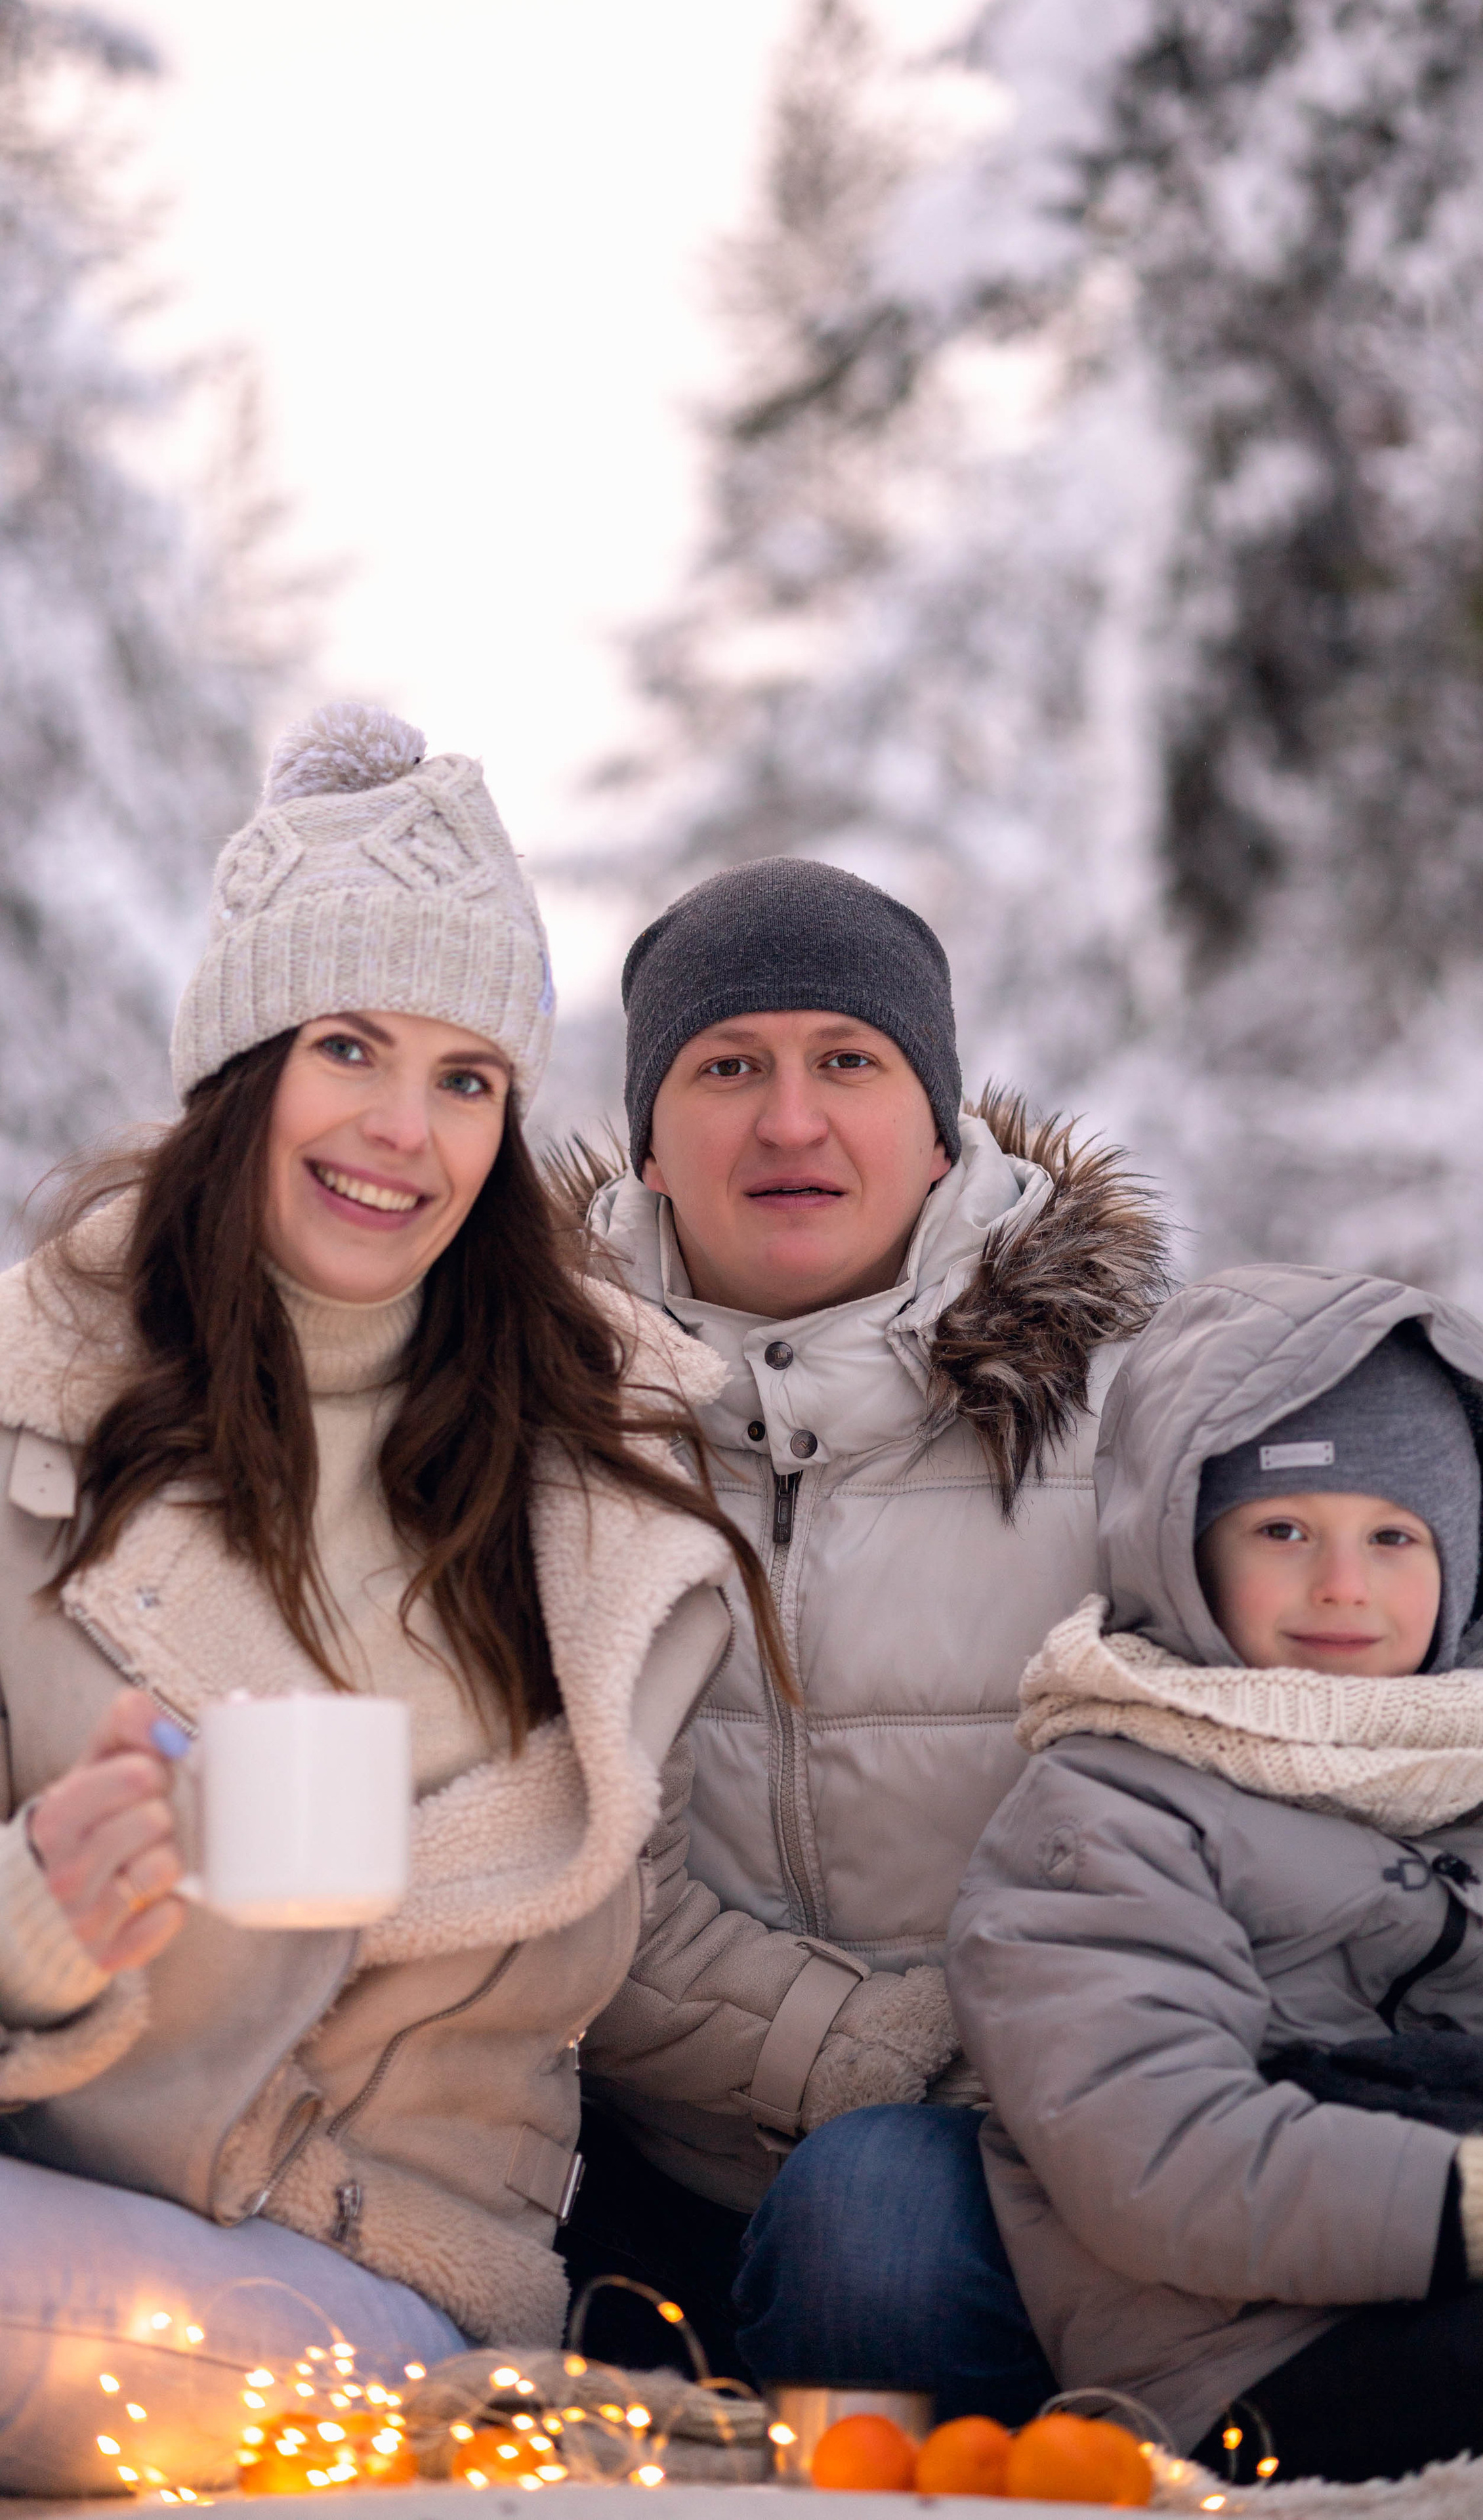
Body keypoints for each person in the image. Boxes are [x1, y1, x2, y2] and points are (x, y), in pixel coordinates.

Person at [0, 702, 811, 2496]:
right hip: (70, 2196)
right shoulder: (30, 1429)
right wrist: (31, 1919)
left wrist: (926, 2053)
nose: (403, 1130)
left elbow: (670, 1929)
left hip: (390, 2283)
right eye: (351, 1047)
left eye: (467, 1079)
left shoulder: (605, 1475)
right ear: (244, 1065)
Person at [554, 857, 1169, 2402]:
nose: (788, 1121)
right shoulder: (523, 1423)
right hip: (633, 2162)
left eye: (847, 1060)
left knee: (875, 2230)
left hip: (1023, 2161)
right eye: (726, 1067)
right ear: (647, 1135)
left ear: (936, 1117)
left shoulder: (1131, 1421)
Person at [949, 1263, 1483, 2519]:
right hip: (1243, 2371)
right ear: (1185, 1553)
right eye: (1285, 1530)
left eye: (1394, 1537)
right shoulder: (1111, 1815)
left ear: (1463, 1567)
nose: (1344, 1584)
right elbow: (1164, 2158)